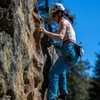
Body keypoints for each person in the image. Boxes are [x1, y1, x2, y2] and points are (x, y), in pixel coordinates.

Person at [38, 3, 79, 100]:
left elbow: (60, 37)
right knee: (61, 71)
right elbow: (64, 38)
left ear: (58, 13)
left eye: (53, 15)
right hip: (74, 52)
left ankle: (51, 98)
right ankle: (63, 93)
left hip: (68, 48)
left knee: (53, 74)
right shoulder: (66, 22)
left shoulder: (63, 22)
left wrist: (45, 32)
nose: (53, 18)